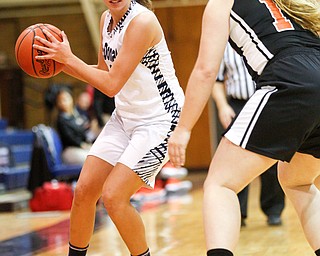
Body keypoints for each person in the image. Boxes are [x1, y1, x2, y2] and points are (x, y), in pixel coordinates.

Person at [168, 0, 320, 255]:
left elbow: (206, 71)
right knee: (297, 180)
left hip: (290, 79)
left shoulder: (222, 2)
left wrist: (183, 129)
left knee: (220, 184)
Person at [33, 1, 185, 255]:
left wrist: (69, 59)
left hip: (159, 121)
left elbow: (111, 85)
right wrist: (61, 63)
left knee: (114, 197)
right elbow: (103, 73)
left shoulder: (142, 21)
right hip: (125, 117)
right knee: (83, 192)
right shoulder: (106, 19)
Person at [212, 43, 285, 226]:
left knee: (271, 158)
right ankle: (238, 212)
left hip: (269, 103)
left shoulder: (266, 40)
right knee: (235, 161)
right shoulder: (224, 45)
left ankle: (273, 210)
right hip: (238, 105)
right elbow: (216, 80)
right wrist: (222, 107)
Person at [55, 88, 94, 165]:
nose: (64, 102)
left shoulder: (75, 115)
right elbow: (69, 137)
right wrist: (82, 144)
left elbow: (83, 131)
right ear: (58, 103)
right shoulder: (61, 119)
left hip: (82, 147)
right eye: (61, 100)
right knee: (93, 160)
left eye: (66, 99)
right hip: (70, 150)